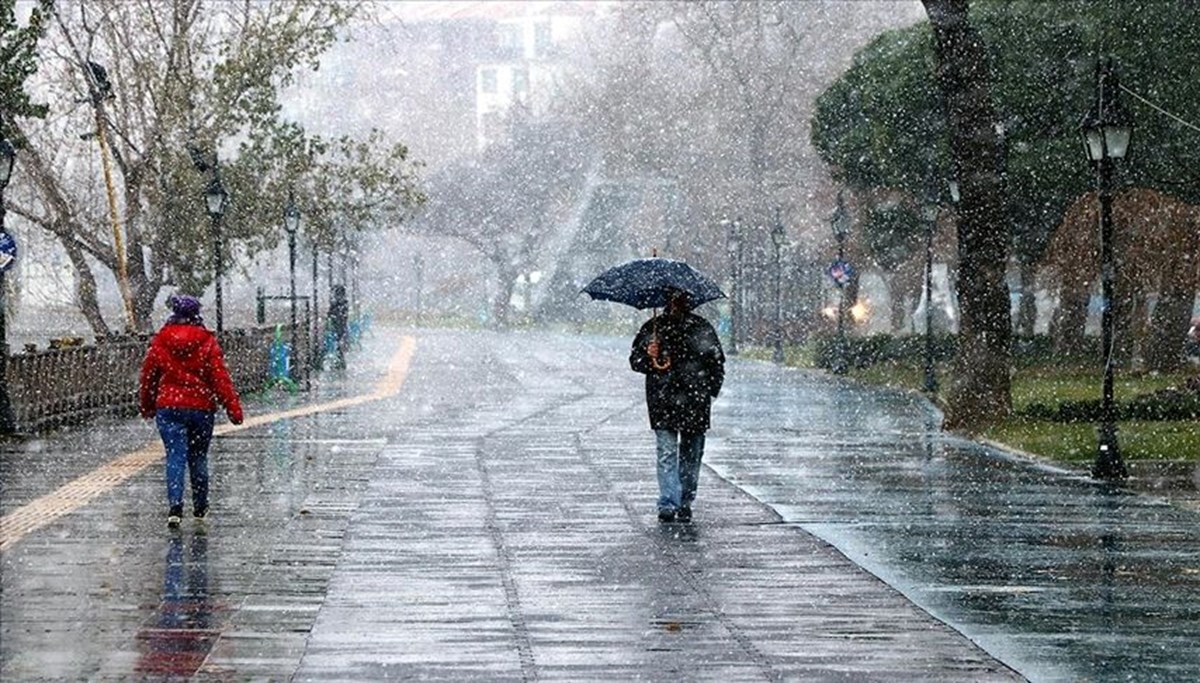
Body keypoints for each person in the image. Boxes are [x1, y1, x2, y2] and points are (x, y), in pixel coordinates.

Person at [139, 295, 243, 528]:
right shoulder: (207, 342)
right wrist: (233, 408)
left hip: (169, 406)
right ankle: (200, 505)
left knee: (175, 456)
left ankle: (175, 507)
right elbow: (220, 378)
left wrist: (147, 405)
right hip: (201, 408)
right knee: (198, 457)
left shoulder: (161, 341)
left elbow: (148, 377)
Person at [629, 288, 725, 523]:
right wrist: (647, 353)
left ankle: (684, 500)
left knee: (691, 454)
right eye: (673, 299)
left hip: (694, 402)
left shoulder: (701, 328)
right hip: (663, 400)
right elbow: (635, 361)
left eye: (681, 299)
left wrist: (708, 390)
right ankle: (668, 502)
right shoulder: (654, 328)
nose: (677, 304)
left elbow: (716, 362)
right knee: (668, 452)